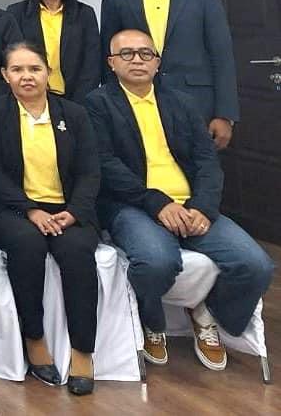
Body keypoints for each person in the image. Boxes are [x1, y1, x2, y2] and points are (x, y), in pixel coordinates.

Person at [86, 29, 273, 372]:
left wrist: (202, 206)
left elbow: (207, 161)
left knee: (255, 265)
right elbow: (104, 165)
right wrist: (158, 204)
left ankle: (208, 312)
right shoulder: (96, 104)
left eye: (145, 53)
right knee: (157, 262)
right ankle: (151, 321)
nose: (137, 60)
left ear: (157, 62)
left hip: (191, 204)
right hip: (134, 205)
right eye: (126, 54)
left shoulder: (181, 102)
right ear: (111, 63)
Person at [0, 42, 101, 396]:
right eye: (17, 70)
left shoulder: (74, 114)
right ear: (5, 75)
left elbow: (90, 171)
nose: (26, 76)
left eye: (34, 69)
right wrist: (30, 210)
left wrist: (73, 212)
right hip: (13, 208)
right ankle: (34, 338)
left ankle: (82, 351)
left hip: (68, 208)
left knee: (77, 251)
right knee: (27, 245)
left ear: (48, 72)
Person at [99, 0, 238, 150]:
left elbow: (222, 57)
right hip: (136, 101)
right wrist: (111, 107)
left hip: (196, 102)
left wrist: (225, 114)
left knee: (199, 166)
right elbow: (110, 58)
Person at [7, 0, 102, 100]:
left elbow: (92, 64)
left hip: (75, 99)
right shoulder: (16, 13)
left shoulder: (84, 14)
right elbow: (12, 59)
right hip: (30, 97)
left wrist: (77, 105)